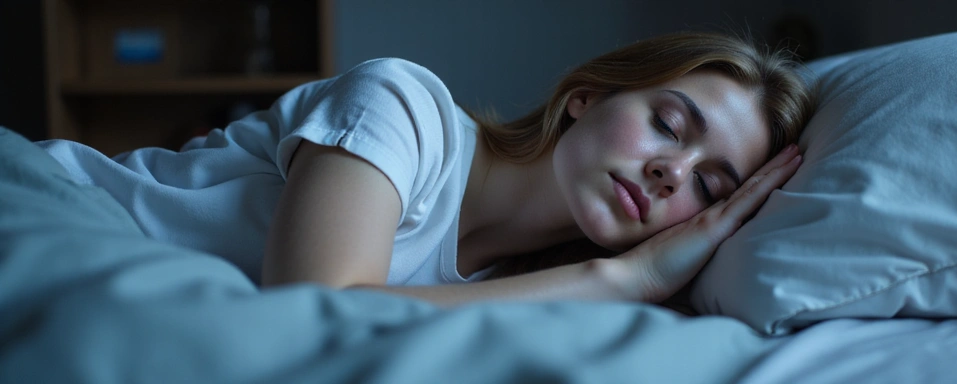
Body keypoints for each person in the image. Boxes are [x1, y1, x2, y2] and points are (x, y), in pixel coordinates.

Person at [37, 32, 815, 306]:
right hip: (46, 211)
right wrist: (625, 278)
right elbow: (316, 312)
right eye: (669, 125)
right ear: (586, 96)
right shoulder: (404, 108)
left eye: (709, 187)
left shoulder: (521, 293)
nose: (671, 173)